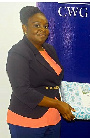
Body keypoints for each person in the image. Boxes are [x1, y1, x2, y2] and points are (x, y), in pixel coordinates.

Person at [6, 6, 75, 138]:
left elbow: (54, 82)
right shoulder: (18, 52)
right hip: (27, 120)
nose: (43, 30)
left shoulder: (50, 49)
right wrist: (58, 104)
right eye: (37, 25)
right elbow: (22, 90)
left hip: (53, 119)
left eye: (46, 26)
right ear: (24, 28)